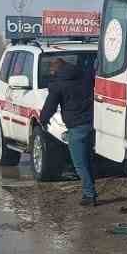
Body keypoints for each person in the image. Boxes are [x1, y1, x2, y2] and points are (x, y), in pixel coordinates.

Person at [37, 57, 96, 206]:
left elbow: (50, 106)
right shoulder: (85, 77)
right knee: (88, 161)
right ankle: (90, 191)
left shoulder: (58, 85)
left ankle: (89, 195)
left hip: (75, 127)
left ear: (54, 70)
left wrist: (43, 120)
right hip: (92, 124)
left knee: (79, 164)